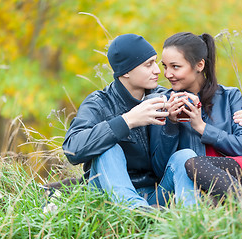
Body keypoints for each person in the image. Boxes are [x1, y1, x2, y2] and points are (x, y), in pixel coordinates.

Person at [62, 34, 199, 209]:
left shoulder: (162, 97)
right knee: (108, 148)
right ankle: (136, 212)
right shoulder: (99, 103)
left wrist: (172, 124)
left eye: (156, 62)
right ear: (126, 71)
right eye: (148, 65)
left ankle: (192, 219)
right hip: (108, 198)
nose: (158, 70)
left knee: (185, 156)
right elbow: (72, 149)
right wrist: (128, 121)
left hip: (156, 196)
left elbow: (163, 165)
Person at [150, 32, 242, 205]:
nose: (167, 74)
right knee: (188, 161)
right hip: (196, 189)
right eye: (165, 66)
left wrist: (202, 127)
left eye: (175, 67)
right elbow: (160, 169)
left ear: (199, 65)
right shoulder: (164, 102)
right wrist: (171, 125)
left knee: (193, 163)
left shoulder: (230, 96)